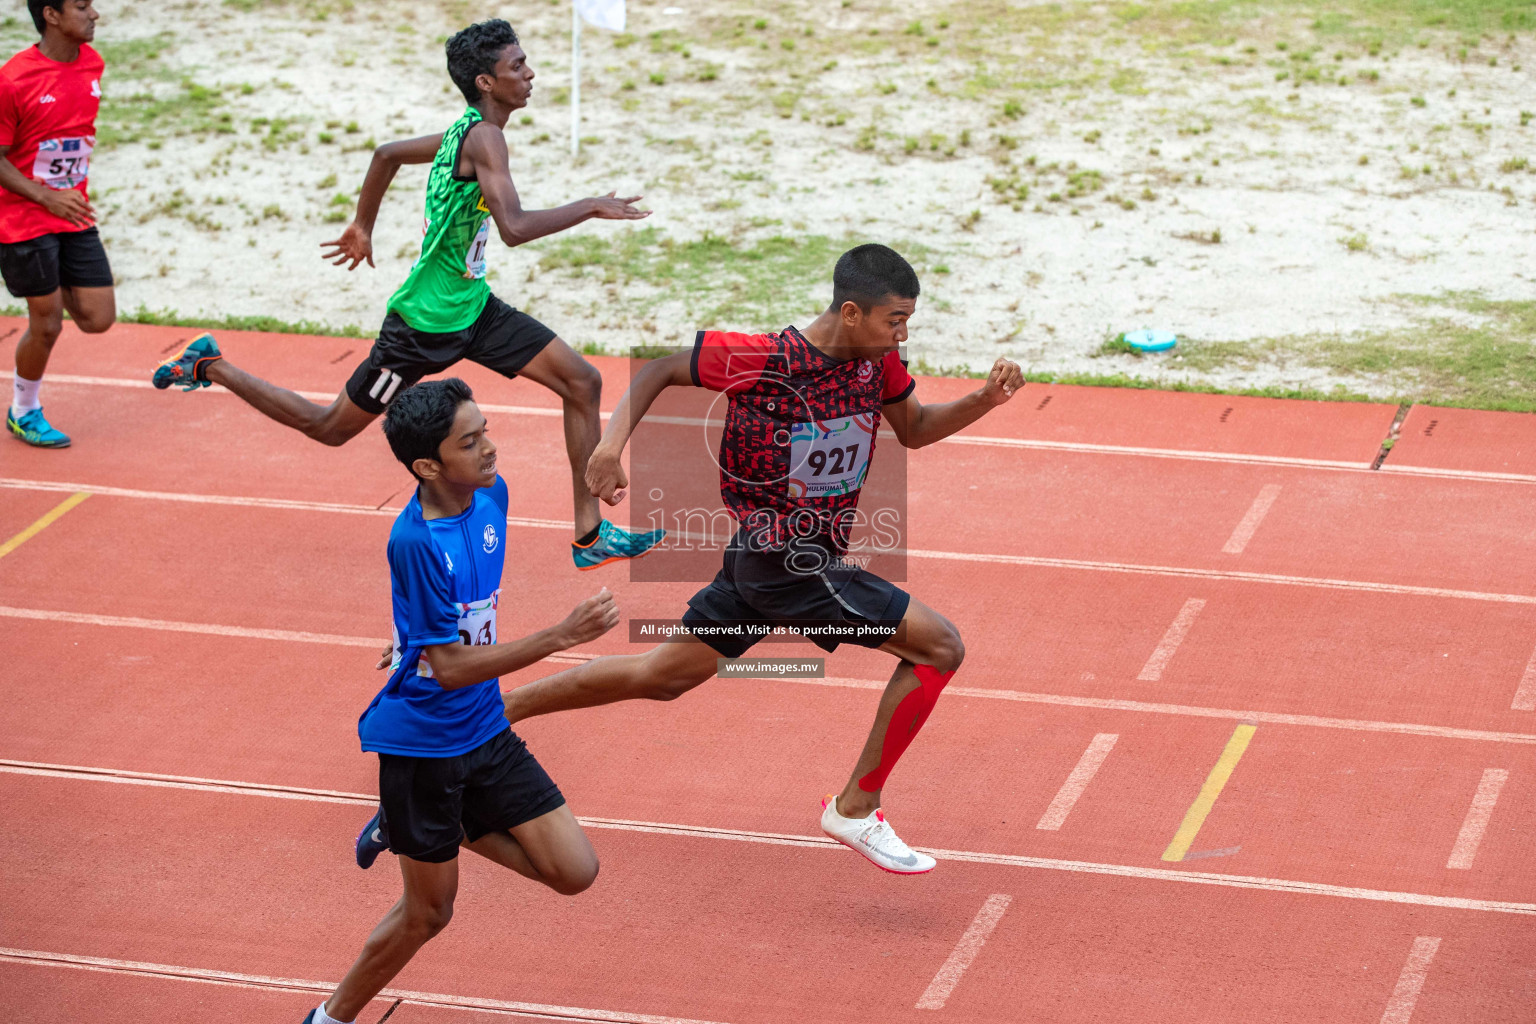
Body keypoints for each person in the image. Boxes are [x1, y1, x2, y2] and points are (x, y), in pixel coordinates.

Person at [498, 244, 1025, 874]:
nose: (902, 334)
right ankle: (857, 806)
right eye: (895, 320)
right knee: (940, 647)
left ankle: (495, 714)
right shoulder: (767, 358)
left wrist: (983, 402)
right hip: (789, 564)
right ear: (852, 312)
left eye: (909, 320)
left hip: (763, 562)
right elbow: (663, 367)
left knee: (661, 676)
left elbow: (912, 427)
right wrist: (610, 447)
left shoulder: (876, 364)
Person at [153, 19, 660, 570]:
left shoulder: (464, 131)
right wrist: (589, 206)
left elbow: (386, 154)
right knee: (330, 429)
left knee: (581, 380)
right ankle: (212, 366)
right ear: (486, 82)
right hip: (420, 327)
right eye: (517, 65)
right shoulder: (483, 136)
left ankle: (590, 536)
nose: (530, 73)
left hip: (472, 307)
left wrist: (362, 226)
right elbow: (511, 227)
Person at [304, 378, 619, 1024]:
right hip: (424, 743)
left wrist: (408, 640)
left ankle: (405, 825)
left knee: (574, 870)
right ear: (427, 466)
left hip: (484, 728)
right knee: (429, 913)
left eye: (486, 432)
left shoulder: (491, 495)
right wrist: (560, 635)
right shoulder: (414, 540)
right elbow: (448, 667)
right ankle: (329, 1018)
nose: (490, 450)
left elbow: (454, 619)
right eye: (470, 442)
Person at [1, 0, 114, 449]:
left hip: (71, 212)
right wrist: (46, 195)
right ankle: (24, 410)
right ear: (51, 15)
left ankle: (45, 290)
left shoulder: (92, 64)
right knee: (47, 324)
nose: (95, 14)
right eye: (82, 6)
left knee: (98, 317)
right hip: (23, 217)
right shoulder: (13, 79)